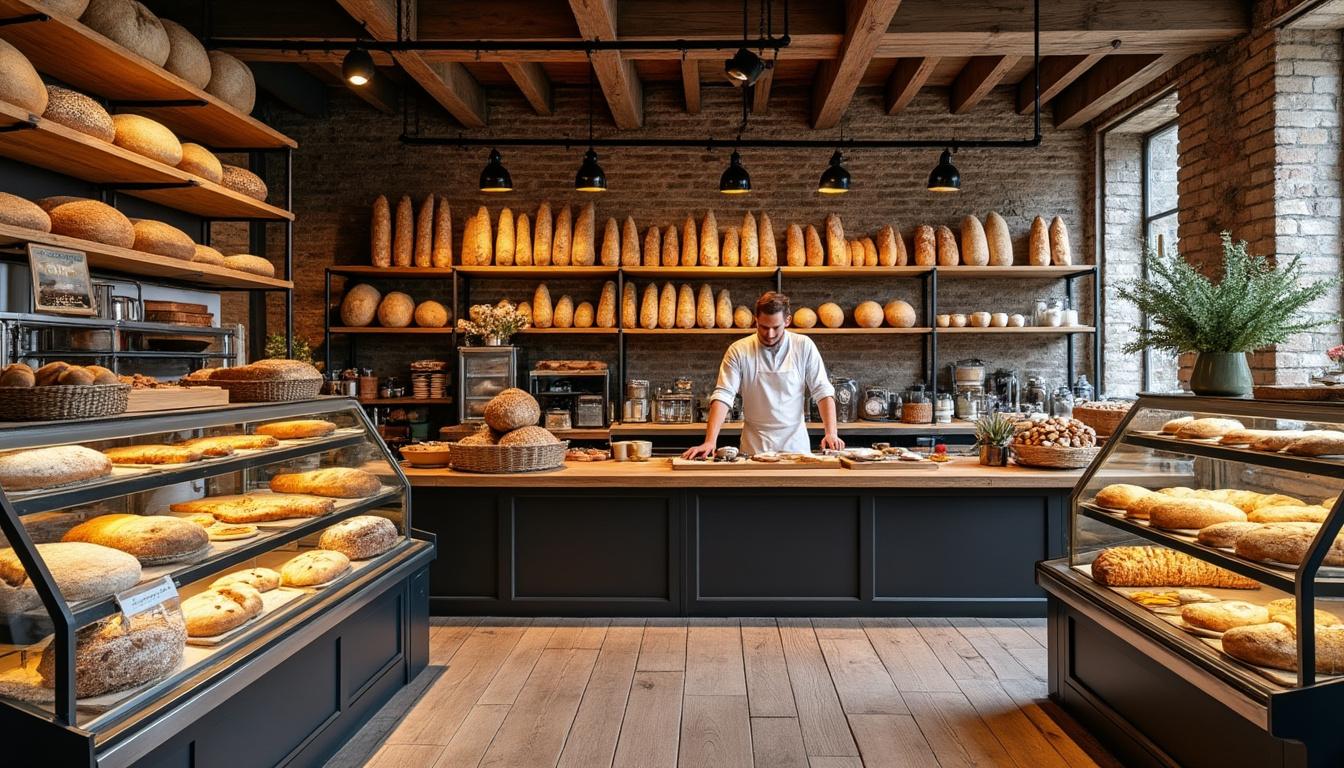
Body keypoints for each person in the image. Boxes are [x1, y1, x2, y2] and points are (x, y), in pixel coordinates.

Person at [682, 291, 844, 458]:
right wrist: (710, 441)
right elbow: (724, 394)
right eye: (764, 327)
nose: (770, 334)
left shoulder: (804, 346)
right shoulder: (739, 350)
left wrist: (831, 433)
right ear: (756, 320)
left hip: (796, 447)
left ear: (787, 321)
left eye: (776, 327)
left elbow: (822, 391)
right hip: (754, 448)